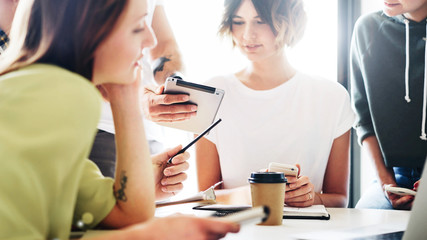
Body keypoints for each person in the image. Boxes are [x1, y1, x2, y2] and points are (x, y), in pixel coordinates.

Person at [0, 0, 239, 239]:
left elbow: (130, 215)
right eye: (137, 27)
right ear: (90, 31)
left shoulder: (41, 93)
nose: (150, 42)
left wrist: (125, 94)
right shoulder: (69, 94)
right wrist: (150, 236)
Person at [196, 0, 355, 208]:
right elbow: (204, 198)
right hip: (236, 231)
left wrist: (311, 198)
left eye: (260, 22)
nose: (248, 34)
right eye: (238, 22)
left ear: (289, 22)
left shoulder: (332, 96)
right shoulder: (213, 93)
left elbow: (340, 200)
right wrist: (258, 194)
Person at [89, 0, 198, 189]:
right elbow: (87, 53)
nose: (150, 39)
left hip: (149, 133)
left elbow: (163, 44)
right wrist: (141, 100)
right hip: (103, 131)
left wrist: (173, 81)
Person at [351, 0, 427, 210]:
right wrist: (387, 183)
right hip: (395, 177)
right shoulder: (368, 28)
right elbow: (363, 120)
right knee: (365, 229)